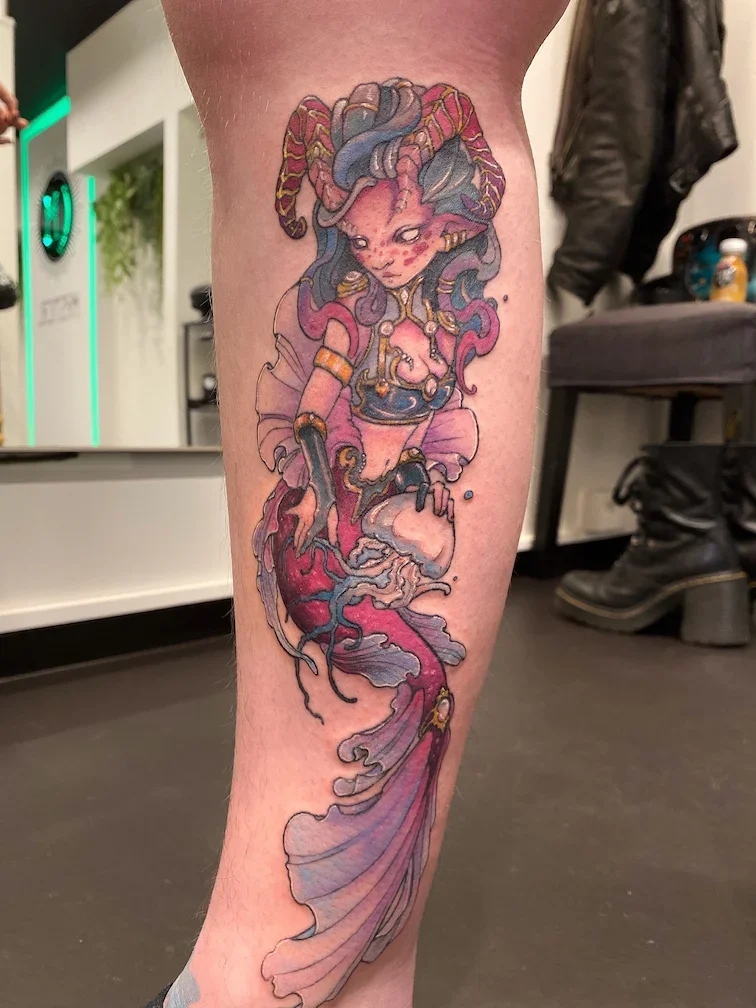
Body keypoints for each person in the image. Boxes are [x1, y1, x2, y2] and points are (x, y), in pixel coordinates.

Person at [151, 1, 568, 1006]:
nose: (385, 255)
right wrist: (322, 445)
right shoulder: (351, 319)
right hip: (337, 525)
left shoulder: (442, 320)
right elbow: (320, 406)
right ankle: (356, 981)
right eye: (365, 238)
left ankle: (280, 970)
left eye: (408, 235)